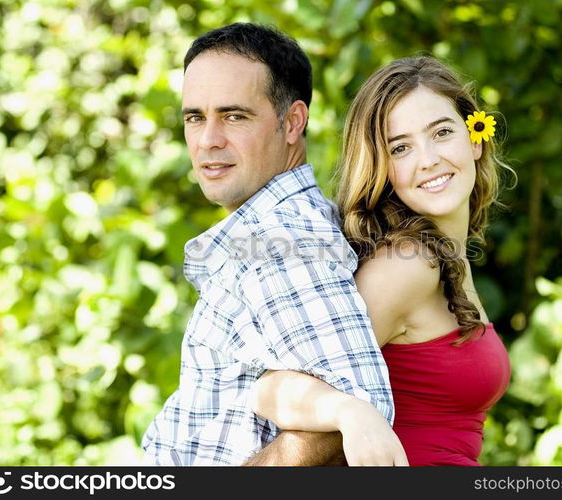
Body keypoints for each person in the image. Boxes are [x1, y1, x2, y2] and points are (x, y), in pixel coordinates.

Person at [141, 22, 405, 466]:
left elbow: (358, 409)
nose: (208, 140)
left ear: (292, 122)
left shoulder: (280, 239)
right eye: (194, 118)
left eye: (234, 116)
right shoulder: (278, 228)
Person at [250, 56, 513, 466]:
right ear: (383, 167)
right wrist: (348, 412)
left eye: (442, 132)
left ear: (475, 137)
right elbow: (269, 389)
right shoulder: (406, 267)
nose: (428, 160)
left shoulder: (444, 258)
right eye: (401, 147)